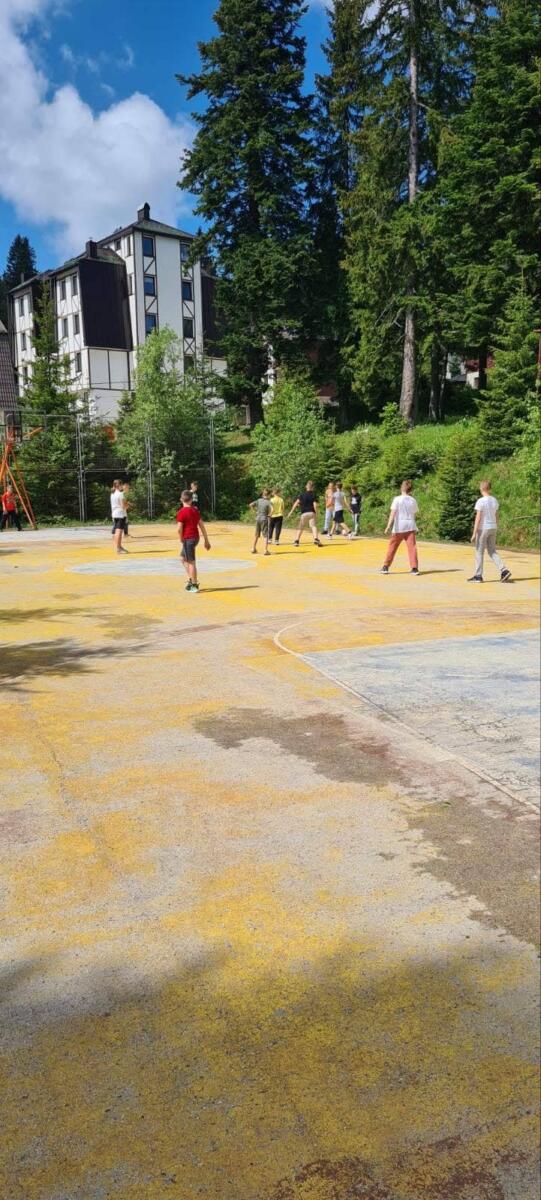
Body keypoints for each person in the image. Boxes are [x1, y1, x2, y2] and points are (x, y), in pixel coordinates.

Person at [468, 481, 511, 583]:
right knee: (492, 551)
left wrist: (474, 533)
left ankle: (478, 576)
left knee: (479, 551)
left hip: (483, 528)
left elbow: (478, 518)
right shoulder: (494, 500)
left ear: (481, 488)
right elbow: (496, 515)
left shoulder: (480, 501)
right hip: (493, 527)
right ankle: (504, 570)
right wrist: (495, 526)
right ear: (489, 489)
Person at [381, 480, 419, 574]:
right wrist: (415, 526)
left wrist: (388, 526)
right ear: (410, 489)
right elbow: (413, 514)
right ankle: (414, 568)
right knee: (412, 548)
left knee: (392, 547)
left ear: (402, 488)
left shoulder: (397, 499)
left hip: (399, 527)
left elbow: (393, 513)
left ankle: (385, 567)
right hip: (410, 526)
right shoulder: (413, 500)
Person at [176, 488, 211, 592]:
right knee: (182, 558)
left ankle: (194, 585)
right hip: (195, 538)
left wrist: (181, 539)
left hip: (188, 539)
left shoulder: (181, 512)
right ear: (191, 500)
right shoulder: (195, 511)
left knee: (191, 562)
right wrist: (206, 540)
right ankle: (192, 579)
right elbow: (202, 525)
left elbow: (179, 529)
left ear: (181, 499)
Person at [288, 481, 322, 547]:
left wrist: (291, 512)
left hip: (304, 513)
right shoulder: (313, 495)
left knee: (300, 527)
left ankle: (296, 541)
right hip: (311, 512)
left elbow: (296, 503)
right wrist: (316, 513)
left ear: (306, 487)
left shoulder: (302, 495)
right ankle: (316, 539)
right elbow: (315, 505)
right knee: (313, 526)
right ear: (313, 487)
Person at [249, 488, 272, 555]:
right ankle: (265, 550)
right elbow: (272, 509)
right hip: (264, 519)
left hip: (258, 518)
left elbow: (250, 505)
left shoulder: (259, 500)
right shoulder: (268, 502)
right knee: (266, 535)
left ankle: (253, 548)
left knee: (256, 534)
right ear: (269, 495)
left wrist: (255, 511)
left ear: (262, 494)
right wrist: (270, 514)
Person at [110, 480, 128, 554]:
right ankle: (118, 548)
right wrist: (128, 505)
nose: (122, 486)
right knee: (119, 532)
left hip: (115, 514)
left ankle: (119, 547)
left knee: (117, 531)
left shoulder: (112, 494)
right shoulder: (120, 494)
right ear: (119, 485)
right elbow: (123, 506)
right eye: (121, 485)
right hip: (120, 514)